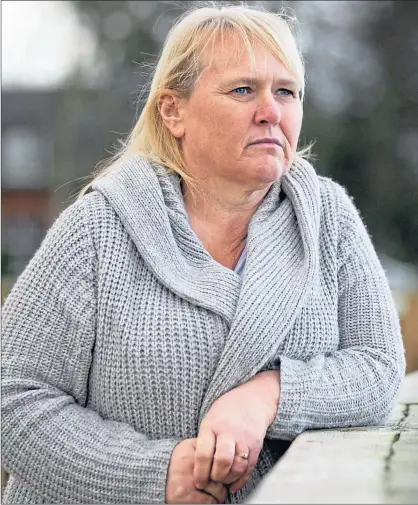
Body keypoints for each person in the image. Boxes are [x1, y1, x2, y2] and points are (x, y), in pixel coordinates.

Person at [1, 2, 405, 504]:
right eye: (243, 90)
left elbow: (378, 368)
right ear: (174, 111)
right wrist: (158, 474)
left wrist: (267, 396)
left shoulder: (327, 218)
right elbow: (14, 398)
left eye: (287, 91)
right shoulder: (99, 228)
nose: (271, 111)